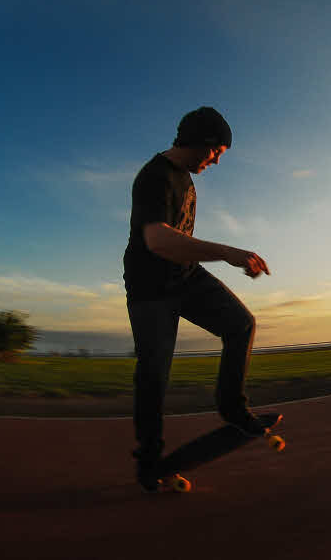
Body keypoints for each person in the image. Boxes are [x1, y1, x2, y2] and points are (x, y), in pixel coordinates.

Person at [123, 106, 272, 490]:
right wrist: (227, 252)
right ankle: (150, 459)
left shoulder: (188, 181)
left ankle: (233, 409)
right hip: (149, 289)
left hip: (185, 277)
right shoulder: (155, 175)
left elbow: (180, 240)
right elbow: (156, 239)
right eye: (216, 151)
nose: (217, 160)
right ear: (200, 142)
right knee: (154, 373)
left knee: (241, 324)